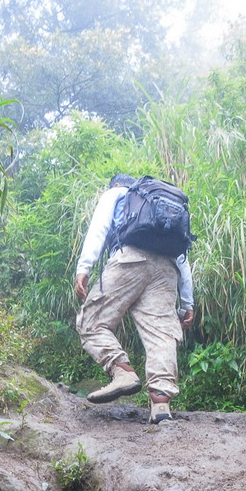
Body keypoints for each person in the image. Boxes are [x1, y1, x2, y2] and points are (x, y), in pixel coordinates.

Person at [74, 173, 194, 424]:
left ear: (117, 185)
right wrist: (187, 303)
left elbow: (100, 227)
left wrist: (84, 268)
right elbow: (182, 256)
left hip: (131, 259)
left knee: (92, 321)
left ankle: (122, 371)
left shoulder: (116, 194)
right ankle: (161, 403)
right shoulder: (161, 211)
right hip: (166, 269)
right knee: (161, 332)